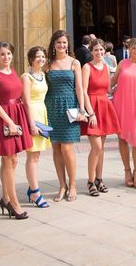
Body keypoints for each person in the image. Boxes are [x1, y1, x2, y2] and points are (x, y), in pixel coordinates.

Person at [0, 41, 33, 219]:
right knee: (8, 159)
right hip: (5, 118)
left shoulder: (13, 72)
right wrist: (9, 123)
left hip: (17, 114)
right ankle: (14, 203)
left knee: (13, 161)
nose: (6, 57)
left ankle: (5, 198)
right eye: (2, 54)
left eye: (8, 54)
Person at [45, 30, 86, 202]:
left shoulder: (74, 62)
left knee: (67, 149)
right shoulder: (47, 64)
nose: (62, 45)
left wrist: (82, 110)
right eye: (58, 42)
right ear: (53, 45)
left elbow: (79, 88)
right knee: (56, 148)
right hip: (52, 107)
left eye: (64, 42)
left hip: (70, 107)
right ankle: (62, 185)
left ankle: (73, 184)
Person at [81, 39, 121, 195]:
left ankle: (99, 179)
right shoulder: (87, 67)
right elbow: (84, 91)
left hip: (104, 105)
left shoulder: (105, 67)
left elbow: (109, 89)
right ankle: (90, 182)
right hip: (92, 107)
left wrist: (122, 84)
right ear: (91, 51)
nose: (99, 53)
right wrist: (90, 113)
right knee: (96, 146)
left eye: (101, 50)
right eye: (96, 50)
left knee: (101, 148)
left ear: (105, 52)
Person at [112, 37, 136, 188]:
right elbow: (112, 82)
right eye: (134, 48)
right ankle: (127, 171)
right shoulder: (122, 63)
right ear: (129, 50)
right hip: (120, 106)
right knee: (122, 138)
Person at [20, 46, 50, 208]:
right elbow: (25, 101)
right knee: (32, 155)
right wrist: (31, 124)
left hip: (41, 113)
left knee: (36, 155)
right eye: (37, 57)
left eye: (43, 56)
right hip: (32, 116)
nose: (41, 59)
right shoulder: (26, 77)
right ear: (31, 59)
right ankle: (35, 192)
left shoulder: (42, 75)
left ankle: (32, 189)